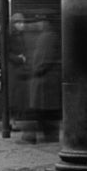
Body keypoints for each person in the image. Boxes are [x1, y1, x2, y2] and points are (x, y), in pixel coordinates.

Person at [27, 12, 62, 143]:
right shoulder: (45, 36)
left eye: (41, 21)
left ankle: (49, 135)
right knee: (45, 110)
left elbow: (45, 58)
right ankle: (48, 135)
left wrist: (36, 70)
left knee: (46, 110)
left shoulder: (48, 37)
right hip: (44, 79)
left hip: (45, 80)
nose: (39, 24)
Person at [7, 13, 28, 130]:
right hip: (13, 69)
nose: (21, 25)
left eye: (22, 22)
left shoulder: (22, 36)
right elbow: (7, 52)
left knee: (19, 96)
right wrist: (19, 58)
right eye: (18, 23)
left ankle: (14, 120)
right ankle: (11, 121)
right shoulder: (11, 36)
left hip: (20, 69)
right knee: (13, 96)